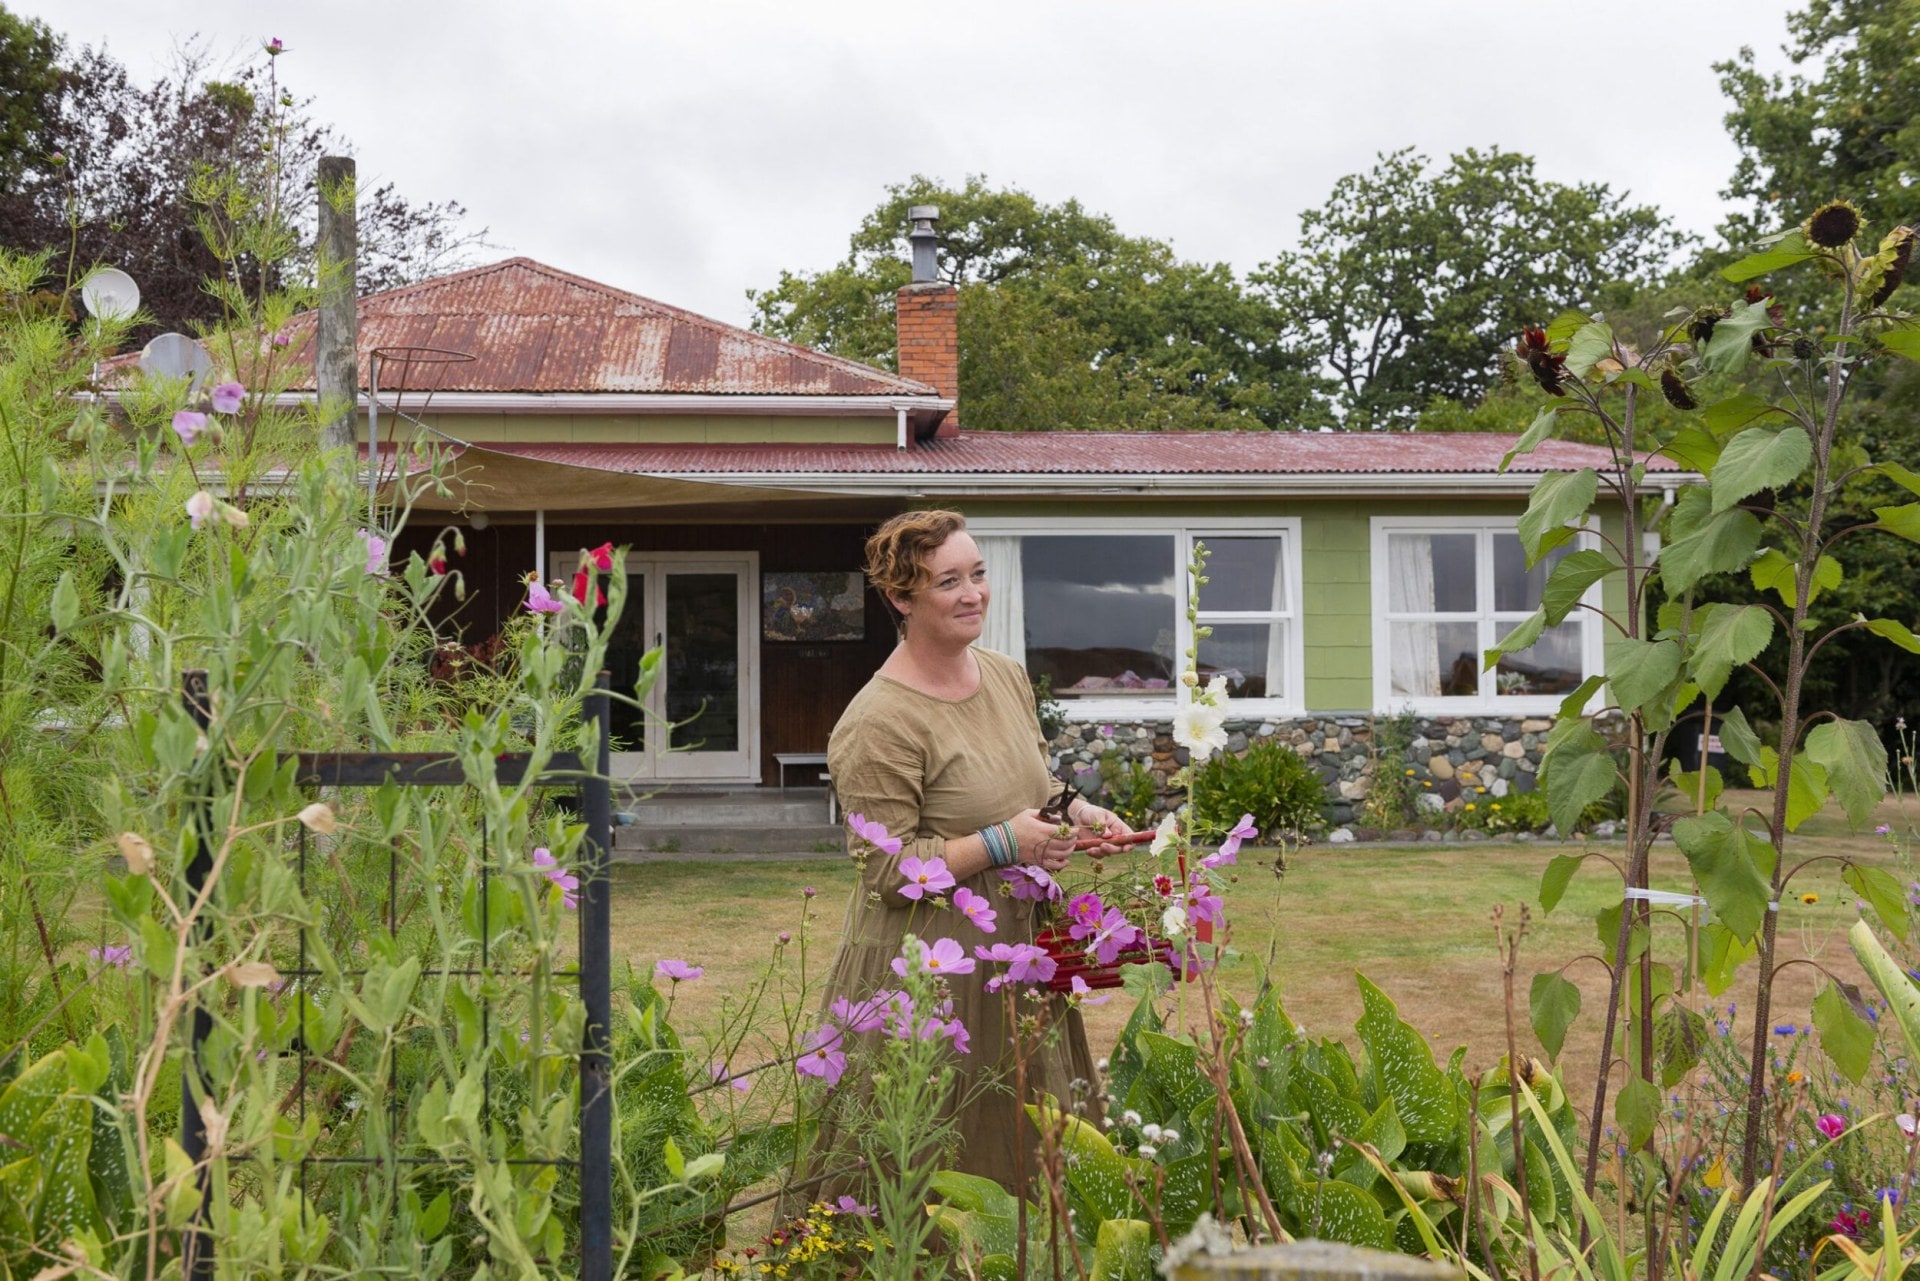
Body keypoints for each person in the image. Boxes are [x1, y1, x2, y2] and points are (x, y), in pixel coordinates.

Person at [814, 509, 1133, 1192]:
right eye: (948, 581)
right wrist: (1003, 842)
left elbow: (1030, 781)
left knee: (1027, 1135)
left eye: (979, 573)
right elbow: (887, 870)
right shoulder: (878, 721)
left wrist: (1076, 809)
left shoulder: (1005, 675)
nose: (974, 594)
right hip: (927, 968)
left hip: (1018, 950)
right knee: (921, 1154)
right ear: (902, 598)